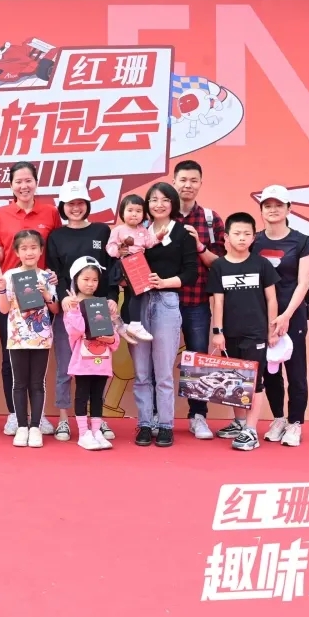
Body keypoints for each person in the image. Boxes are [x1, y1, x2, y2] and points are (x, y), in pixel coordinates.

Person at [231, 184, 309, 448]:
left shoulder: (302, 241)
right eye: (267, 205)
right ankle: (278, 418)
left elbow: (303, 283)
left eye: (279, 205)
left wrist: (286, 315)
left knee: (296, 371)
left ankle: (295, 423)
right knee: (269, 371)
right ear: (261, 210)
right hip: (261, 317)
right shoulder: (254, 241)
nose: (273, 210)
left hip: (292, 315)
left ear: (289, 209)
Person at [0, 161, 61, 436]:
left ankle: (37, 418)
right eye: (18, 181)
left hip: (41, 293)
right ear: (11, 186)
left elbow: (54, 250)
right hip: (10, 294)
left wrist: (52, 282)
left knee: (38, 366)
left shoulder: (50, 212)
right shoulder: (0, 214)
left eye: (28, 180)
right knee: (12, 360)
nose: (23, 186)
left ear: (36, 183)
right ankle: (14, 415)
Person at [126, 182, 198, 448]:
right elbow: (122, 263)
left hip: (166, 302)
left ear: (173, 203)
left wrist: (164, 282)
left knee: (164, 371)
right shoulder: (136, 232)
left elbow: (191, 272)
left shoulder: (182, 233)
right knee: (141, 371)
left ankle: (166, 424)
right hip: (137, 304)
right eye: (153, 199)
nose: (159, 204)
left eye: (165, 199)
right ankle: (145, 423)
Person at [46, 181, 117, 443]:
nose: (75, 208)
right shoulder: (56, 236)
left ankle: (97, 419)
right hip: (71, 310)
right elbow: (55, 273)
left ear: (87, 205)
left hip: (99, 310)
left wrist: (111, 299)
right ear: (63, 207)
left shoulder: (102, 230)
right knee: (67, 367)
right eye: (70, 204)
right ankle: (64, 418)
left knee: (98, 365)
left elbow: (111, 269)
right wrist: (64, 297)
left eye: (80, 203)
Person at [205, 212, 279, 451]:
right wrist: (218, 332)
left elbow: (272, 299)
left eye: (247, 234)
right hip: (229, 334)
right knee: (235, 380)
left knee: (254, 382)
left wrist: (272, 329)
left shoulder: (261, 264)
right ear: (226, 237)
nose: (242, 238)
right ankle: (239, 423)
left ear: (253, 237)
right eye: (237, 233)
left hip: (256, 334)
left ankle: (251, 430)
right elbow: (217, 302)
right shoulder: (219, 266)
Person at [172, 160, 226, 441]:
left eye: (193, 180)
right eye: (183, 179)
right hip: (164, 300)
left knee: (197, 358)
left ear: (201, 183)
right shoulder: (159, 214)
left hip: (197, 301)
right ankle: (157, 416)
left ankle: (198, 416)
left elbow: (221, 264)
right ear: (174, 182)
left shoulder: (210, 219)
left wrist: (199, 245)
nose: (188, 185)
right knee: (159, 359)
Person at [0, 230, 59, 448]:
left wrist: (47, 295)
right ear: (16, 252)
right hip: (17, 337)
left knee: (37, 383)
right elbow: (3, 309)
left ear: (41, 251)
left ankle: (35, 427)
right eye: (24, 248)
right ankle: (22, 426)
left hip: (41, 338)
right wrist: (1, 289)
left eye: (33, 248)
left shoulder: (47, 277)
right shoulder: (9, 276)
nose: (29, 252)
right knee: (19, 383)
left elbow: (56, 309)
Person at [60, 257, 121, 451]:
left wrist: (111, 334)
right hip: (82, 362)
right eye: (85, 279)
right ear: (76, 279)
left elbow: (115, 340)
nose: (90, 284)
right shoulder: (71, 307)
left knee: (97, 397)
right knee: (82, 396)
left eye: (94, 280)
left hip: (102, 361)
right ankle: (83, 433)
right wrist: (74, 309)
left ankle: (96, 431)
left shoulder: (102, 305)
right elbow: (76, 332)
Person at [105, 193, 157, 342]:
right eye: (130, 210)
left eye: (138, 211)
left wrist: (159, 236)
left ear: (144, 214)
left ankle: (127, 323)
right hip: (126, 263)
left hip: (139, 264)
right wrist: (118, 251)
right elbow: (110, 248)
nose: (134, 214)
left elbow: (149, 243)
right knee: (137, 293)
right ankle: (135, 323)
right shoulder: (118, 230)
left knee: (130, 295)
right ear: (122, 212)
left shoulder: (143, 230)